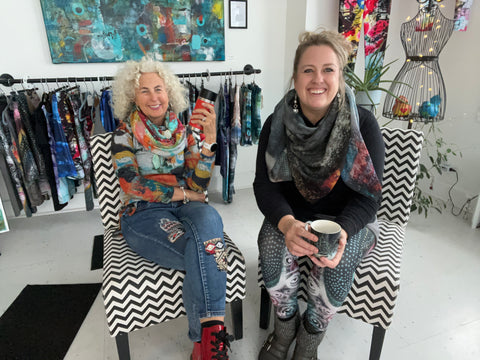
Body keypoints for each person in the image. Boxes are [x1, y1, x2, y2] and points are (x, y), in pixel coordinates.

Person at [254, 29, 385, 360]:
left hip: (347, 223)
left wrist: (343, 230)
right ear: (296, 77)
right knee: (270, 243)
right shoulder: (276, 124)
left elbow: (369, 198)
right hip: (295, 218)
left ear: (340, 76)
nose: (318, 79)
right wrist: (286, 224)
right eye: (308, 70)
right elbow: (264, 185)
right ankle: (284, 332)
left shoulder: (364, 125)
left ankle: (309, 345)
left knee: (335, 262)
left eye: (328, 69)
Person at [111, 56, 233, 360]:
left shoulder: (184, 131)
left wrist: (209, 143)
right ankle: (206, 345)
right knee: (208, 250)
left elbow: (199, 185)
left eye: (159, 89)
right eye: (145, 91)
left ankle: (205, 341)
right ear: (133, 97)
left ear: (170, 92)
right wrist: (183, 194)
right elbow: (131, 184)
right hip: (143, 214)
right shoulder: (123, 134)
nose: (154, 97)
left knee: (210, 220)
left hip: (186, 206)